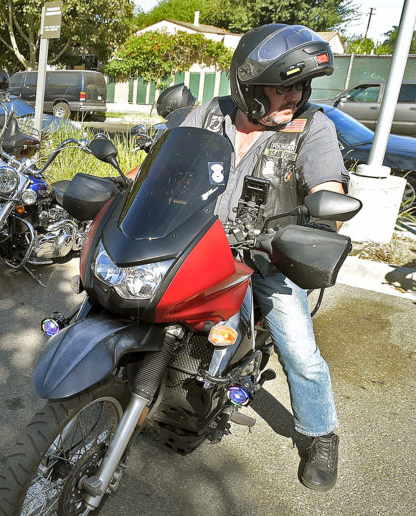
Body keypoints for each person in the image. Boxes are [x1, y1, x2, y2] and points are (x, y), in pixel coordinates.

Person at [149, 24, 347, 491]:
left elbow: (327, 189)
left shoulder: (313, 127)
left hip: (267, 258)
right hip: (192, 244)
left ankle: (319, 435)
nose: (295, 96)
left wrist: (319, 224)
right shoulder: (208, 113)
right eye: (285, 87)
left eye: (301, 86)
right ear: (250, 86)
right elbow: (158, 163)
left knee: (301, 351)